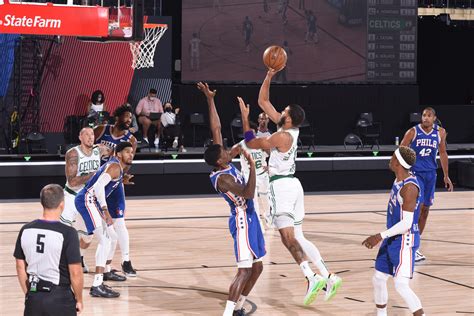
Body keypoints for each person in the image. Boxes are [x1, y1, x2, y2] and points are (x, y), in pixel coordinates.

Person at [239, 69, 342, 305]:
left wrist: (245, 118)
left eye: (283, 111)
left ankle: (311, 276)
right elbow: (263, 101)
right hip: (294, 184)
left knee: (287, 238)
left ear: (289, 118)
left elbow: (251, 141)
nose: (280, 111)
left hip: (281, 187)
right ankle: (327, 275)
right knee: (299, 236)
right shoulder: (289, 130)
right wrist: (269, 74)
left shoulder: (282, 137)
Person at [198, 82, 265, 316]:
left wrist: (210, 99)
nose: (227, 151)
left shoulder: (222, 159)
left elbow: (215, 128)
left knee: (257, 267)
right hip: (242, 220)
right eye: (225, 152)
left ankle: (238, 308)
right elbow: (247, 192)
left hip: (251, 216)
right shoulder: (222, 179)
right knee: (244, 271)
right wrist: (253, 168)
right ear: (219, 161)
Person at [362, 146, 425, 316]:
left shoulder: (409, 188)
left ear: (398, 162)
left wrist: (379, 236)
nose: (390, 159)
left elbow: (406, 223)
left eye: (392, 157)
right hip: (393, 237)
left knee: (401, 285)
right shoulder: (398, 179)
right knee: (379, 278)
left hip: (404, 240)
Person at [75, 142, 134, 298]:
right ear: (119, 154)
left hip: (92, 201)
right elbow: (98, 187)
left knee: (112, 238)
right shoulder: (114, 166)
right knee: (106, 240)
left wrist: (120, 181)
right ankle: (97, 285)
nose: (131, 155)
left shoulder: (117, 169)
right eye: (127, 152)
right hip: (87, 200)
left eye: (132, 152)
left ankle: (106, 272)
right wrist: (105, 210)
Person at [14, 184, 84, 315]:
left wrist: (29, 293)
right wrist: (79, 299)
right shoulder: (68, 233)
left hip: (34, 297)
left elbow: (20, 266)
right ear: (62, 204)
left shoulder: (25, 229)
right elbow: (75, 272)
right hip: (60, 299)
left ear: (42, 203)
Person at [400, 107, 453, 262]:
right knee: (417, 208)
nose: (425, 118)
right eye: (424, 115)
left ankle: (415, 246)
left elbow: (442, 153)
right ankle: (409, 246)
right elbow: (401, 150)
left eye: (429, 116)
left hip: (430, 175)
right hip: (415, 175)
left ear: (434, 118)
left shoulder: (440, 132)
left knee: (425, 210)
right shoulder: (412, 132)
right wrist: (403, 172)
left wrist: (446, 176)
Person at [95, 104, 138, 278]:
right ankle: (82, 259)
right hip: (96, 181)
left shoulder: (131, 140)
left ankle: (125, 261)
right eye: (126, 117)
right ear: (118, 117)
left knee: (119, 223)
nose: (129, 120)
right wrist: (97, 150)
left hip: (114, 183)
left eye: (130, 118)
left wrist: (122, 177)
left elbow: (127, 164)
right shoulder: (101, 129)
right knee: (89, 229)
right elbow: (85, 147)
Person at [60, 127, 106, 274]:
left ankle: (79, 259)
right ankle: (60, 263)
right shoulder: (73, 153)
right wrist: (96, 174)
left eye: (92, 134)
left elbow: (116, 151)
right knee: (63, 232)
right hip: (71, 196)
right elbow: (72, 182)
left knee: (87, 237)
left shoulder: (100, 150)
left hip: (87, 198)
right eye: (86, 134)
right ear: (80, 137)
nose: (90, 137)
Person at [232, 122, 271, 231]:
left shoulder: (261, 142)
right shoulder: (240, 145)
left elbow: (273, 154)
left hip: (262, 175)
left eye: (252, 134)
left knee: (266, 198)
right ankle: (258, 224)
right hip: (249, 176)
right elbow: (228, 157)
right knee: (253, 201)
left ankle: (268, 216)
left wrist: (270, 166)